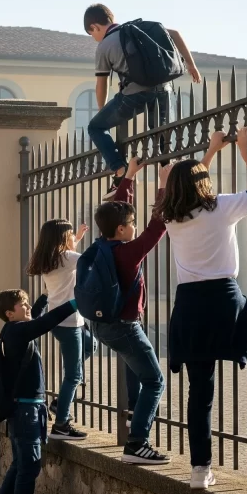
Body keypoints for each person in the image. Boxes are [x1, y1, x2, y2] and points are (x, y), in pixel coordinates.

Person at [160, 128, 247, 490]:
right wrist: (246, 153)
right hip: (224, 298)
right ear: (205, 184)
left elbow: (186, 186)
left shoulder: (172, 218)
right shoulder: (222, 207)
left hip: (189, 306)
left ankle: (200, 470)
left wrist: (208, 153)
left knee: (200, 392)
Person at [88, 156, 171, 465]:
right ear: (122, 230)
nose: (134, 227)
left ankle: (133, 417)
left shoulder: (102, 244)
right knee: (155, 380)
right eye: (131, 225)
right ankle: (137, 443)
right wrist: (163, 185)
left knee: (140, 373)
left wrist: (130, 179)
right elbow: (156, 226)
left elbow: (118, 212)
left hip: (104, 325)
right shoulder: (128, 252)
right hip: (125, 325)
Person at [0, 290, 78, 494]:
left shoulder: (16, 329)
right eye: (22, 304)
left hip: (26, 410)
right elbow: (45, 322)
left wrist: (46, 295)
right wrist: (75, 301)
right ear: (9, 313)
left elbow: (36, 316)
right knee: (29, 468)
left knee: (19, 466)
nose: (27, 307)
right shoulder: (16, 331)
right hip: (26, 412)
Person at [83, 3, 201, 198]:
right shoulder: (141, 28)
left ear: (95, 26)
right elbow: (176, 33)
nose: (94, 39)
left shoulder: (105, 46)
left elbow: (101, 84)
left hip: (133, 96)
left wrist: (102, 109)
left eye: (92, 34)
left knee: (95, 127)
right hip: (164, 90)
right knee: (162, 137)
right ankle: (172, 184)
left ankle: (121, 171)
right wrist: (191, 64)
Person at [26, 220, 95, 440]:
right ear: (62, 237)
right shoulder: (68, 258)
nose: (74, 236)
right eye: (70, 233)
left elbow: (71, 256)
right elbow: (89, 259)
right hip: (69, 322)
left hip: (59, 319)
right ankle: (61, 424)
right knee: (74, 375)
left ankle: (59, 403)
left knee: (90, 345)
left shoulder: (50, 259)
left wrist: (77, 239)